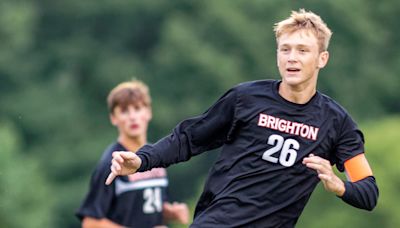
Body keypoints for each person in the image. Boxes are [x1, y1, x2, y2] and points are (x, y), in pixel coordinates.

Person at [105, 9, 379, 228]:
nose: (291, 58)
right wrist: (142, 159)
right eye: (285, 49)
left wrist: (339, 185)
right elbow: (187, 139)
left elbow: (368, 192)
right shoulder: (245, 99)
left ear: (322, 58)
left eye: (302, 50)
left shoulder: (337, 123)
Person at [76, 80, 189, 228]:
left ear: (148, 112)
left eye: (137, 108)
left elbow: (142, 207)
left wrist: (170, 212)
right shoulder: (112, 164)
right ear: (113, 118)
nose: (132, 117)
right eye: (124, 111)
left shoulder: (157, 157)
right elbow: (90, 222)